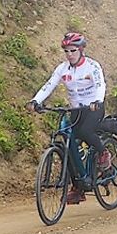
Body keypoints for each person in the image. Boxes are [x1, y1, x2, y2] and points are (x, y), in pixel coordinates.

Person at [27, 32, 108, 205]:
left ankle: (103, 152)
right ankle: (78, 186)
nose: (69, 54)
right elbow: (49, 85)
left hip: (93, 108)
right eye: (66, 51)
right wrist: (36, 100)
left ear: (81, 50)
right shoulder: (62, 68)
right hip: (76, 110)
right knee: (67, 143)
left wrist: (97, 101)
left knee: (86, 132)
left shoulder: (92, 66)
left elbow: (100, 85)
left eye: (73, 50)